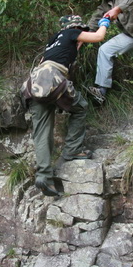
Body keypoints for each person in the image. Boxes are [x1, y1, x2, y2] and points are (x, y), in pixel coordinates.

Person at [23, 15, 110, 197]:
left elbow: (43, 63)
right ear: (77, 28)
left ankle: (43, 175)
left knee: (41, 130)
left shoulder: (52, 41)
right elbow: (98, 37)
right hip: (54, 78)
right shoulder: (72, 32)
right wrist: (105, 22)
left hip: (34, 83)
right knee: (81, 107)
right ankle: (73, 150)